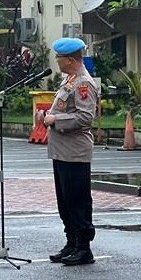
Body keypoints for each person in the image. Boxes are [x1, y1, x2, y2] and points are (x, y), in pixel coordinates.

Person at [44, 37, 98, 266]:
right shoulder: (70, 80)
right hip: (61, 151)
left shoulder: (83, 83)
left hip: (75, 151)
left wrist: (56, 119)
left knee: (77, 201)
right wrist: (47, 115)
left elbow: (86, 117)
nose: (56, 61)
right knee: (65, 201)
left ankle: (84, 247)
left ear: (70, 59)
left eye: (58, 58)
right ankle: (71, 242)